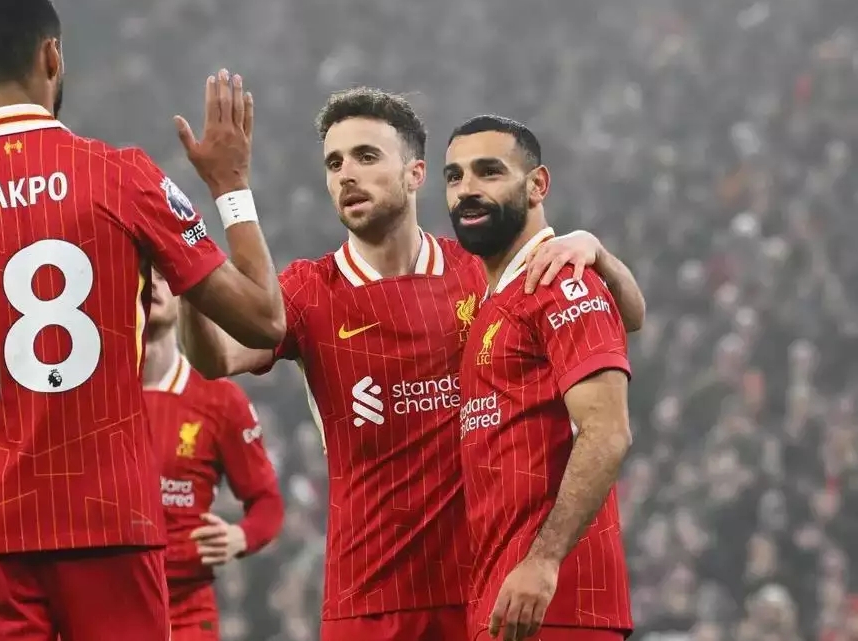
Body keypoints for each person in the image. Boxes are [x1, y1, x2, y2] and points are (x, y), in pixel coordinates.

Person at [0, 0, 285, 641]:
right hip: (113, 525)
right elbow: (264, 320)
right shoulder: (125, 177)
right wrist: (231, 186)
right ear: (52, 57)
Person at [179, 88, 645, 641]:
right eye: (334, 163)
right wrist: (190, 264)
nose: (347, 175)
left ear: (416, 173)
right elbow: (215, 357)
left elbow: (617, 314)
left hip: (485, 593)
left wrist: (594, 249)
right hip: (369, 598)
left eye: (366, 157)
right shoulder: (308, 291)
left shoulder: (480, 271)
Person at [446, 115, 633, 641]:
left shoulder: (560, 281)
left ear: (537, 185)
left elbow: (608, 432)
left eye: (488, 171)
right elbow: (634, 314)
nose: (467, 189)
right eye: (454, 176)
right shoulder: (495, 296)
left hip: (556, 601)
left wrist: (544, 561)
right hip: (502, 599)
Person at [142, 266, 284, 640]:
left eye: (163, 275)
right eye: (142, 273)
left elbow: (267, 502)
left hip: (186, 608)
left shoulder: (220, 400)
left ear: (183, 295)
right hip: (107, 601)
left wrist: (241, 536)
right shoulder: (94, 396)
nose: (152, 282)